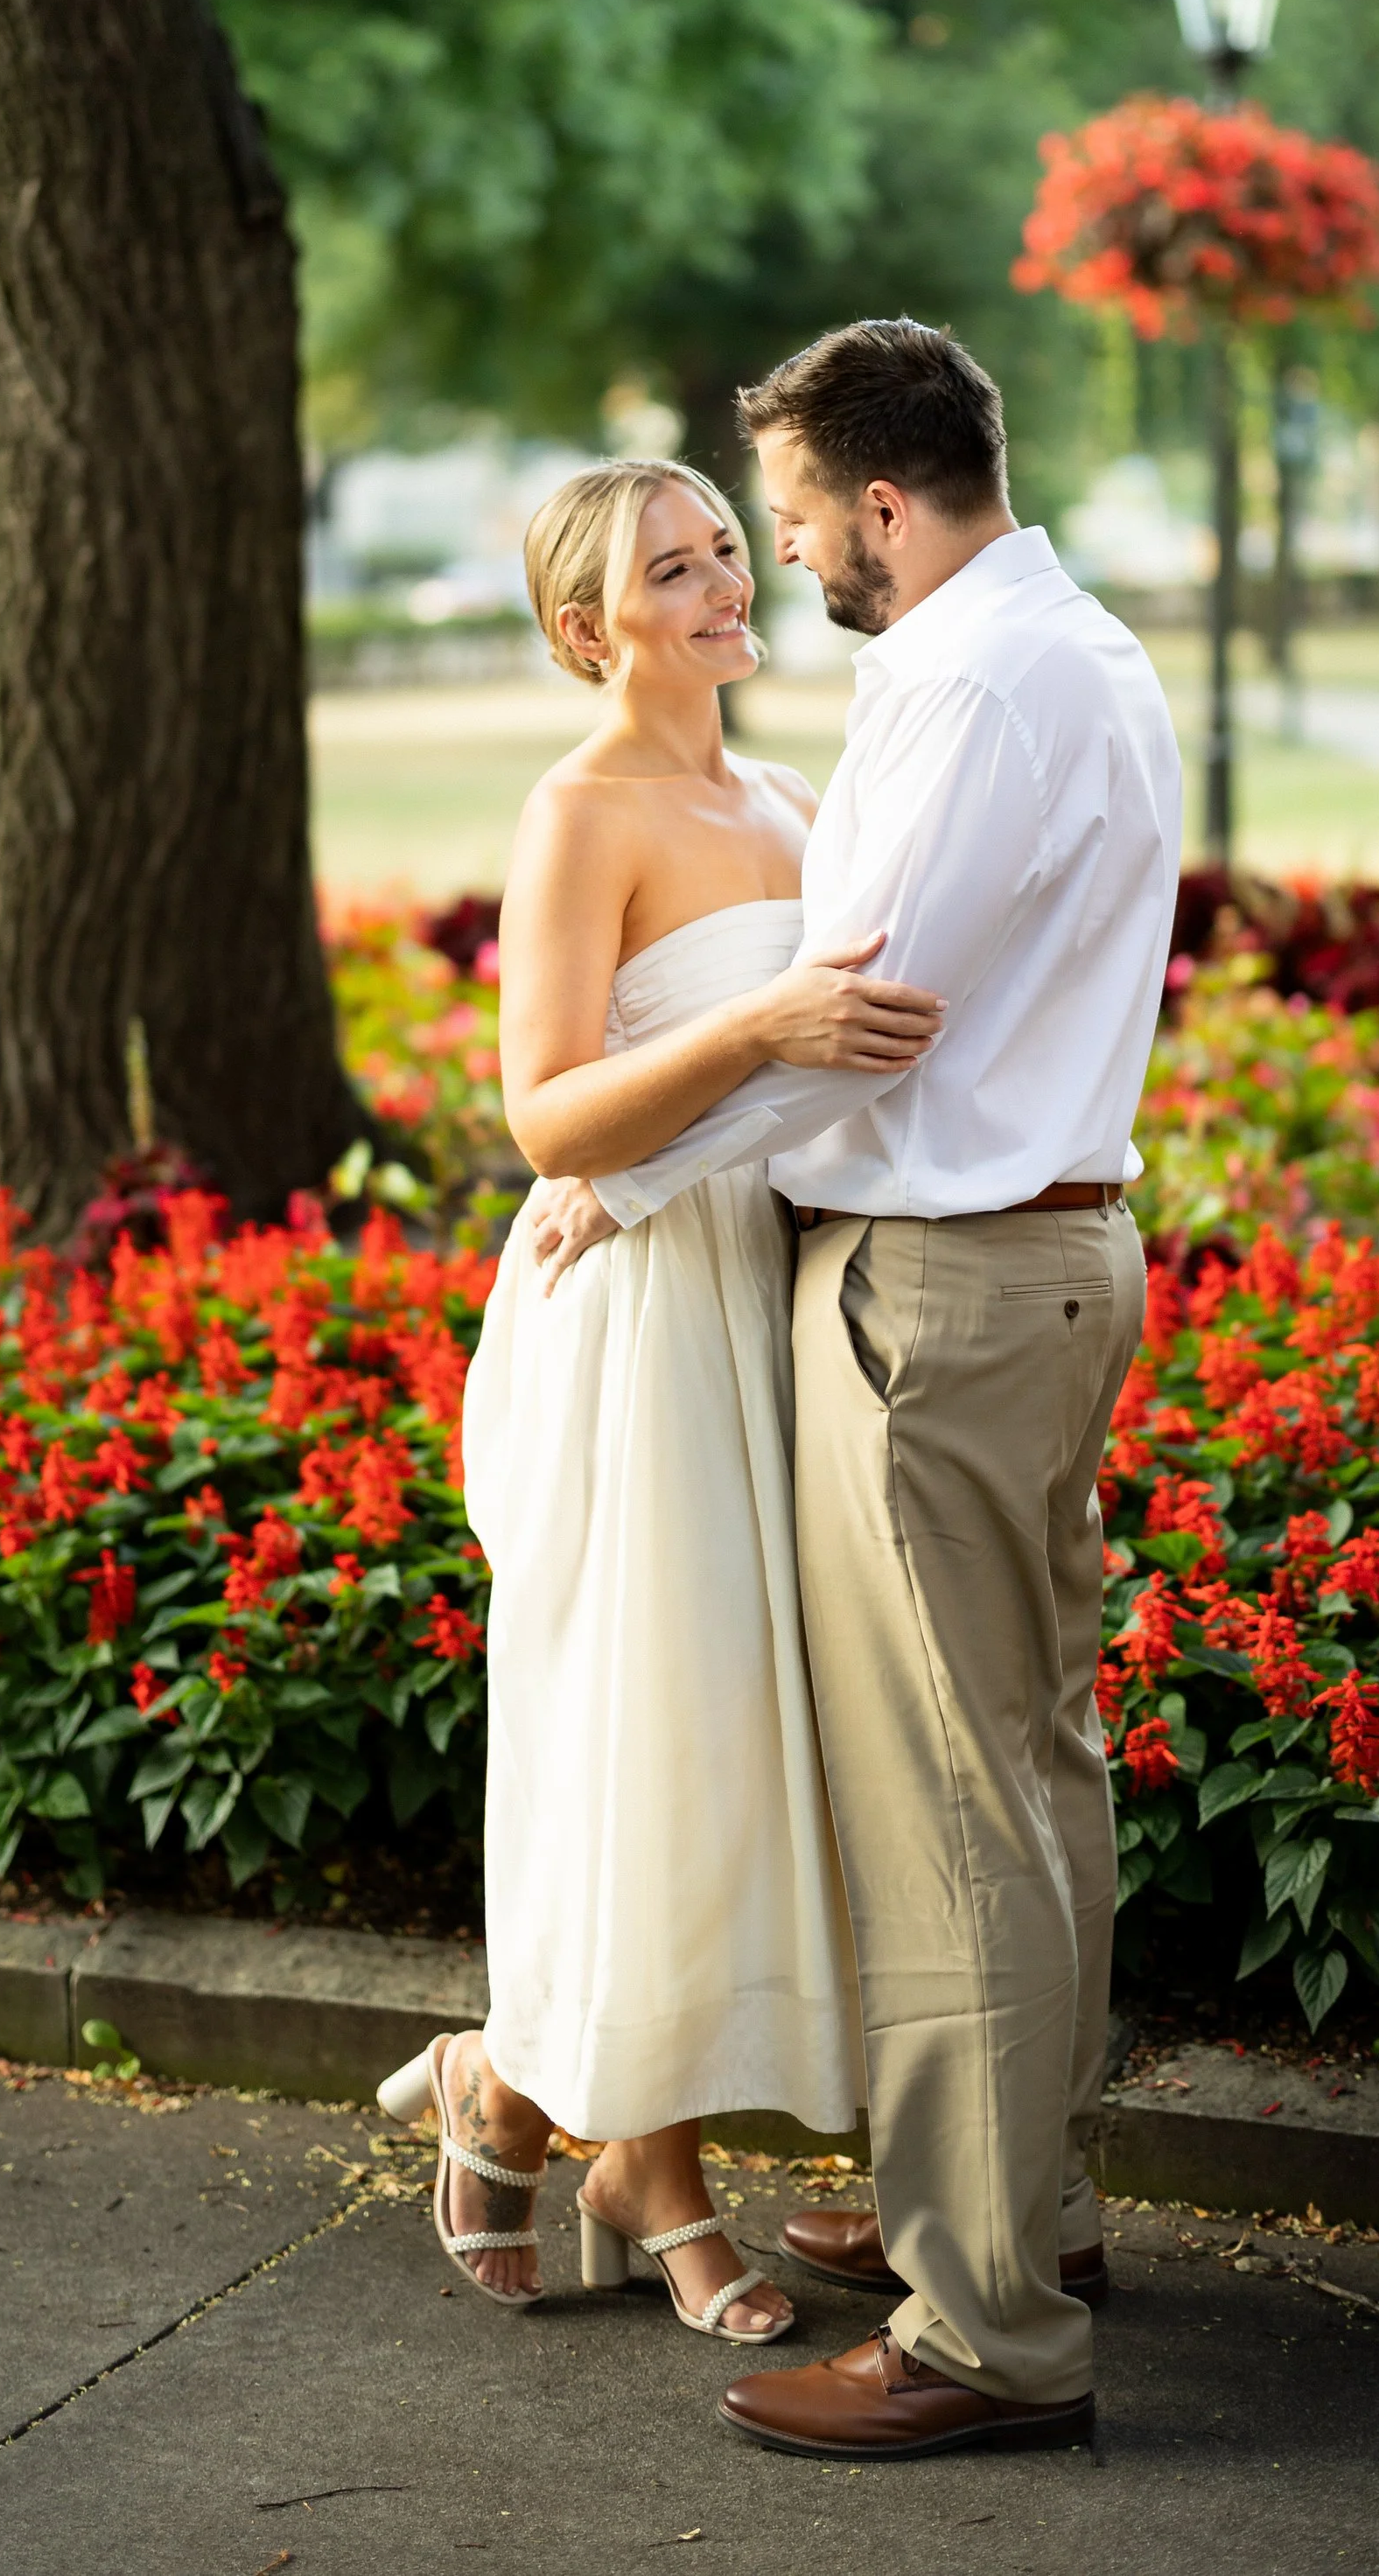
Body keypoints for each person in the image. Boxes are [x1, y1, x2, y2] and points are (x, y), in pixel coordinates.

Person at [534, 318, 1183, 2458]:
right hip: (1051, 1252)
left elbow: (851, 1018)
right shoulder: (1069, 649)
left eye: (792, 520)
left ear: (880, 506)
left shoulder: (963, 684)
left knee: (948, 1816)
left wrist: (616, 1187)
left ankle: (979, 2323)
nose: (784, 561)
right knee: (1030, 1766)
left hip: (943, 1290)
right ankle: (1029, 2209)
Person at [377, 454, 945, 2342]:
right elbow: (541, 1115)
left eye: (723, 553)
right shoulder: (580, 813)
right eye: (673, 571)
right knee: (650, 1742)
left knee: (748, 1749)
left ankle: (516, 2096)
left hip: (778, 1296)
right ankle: (667, 2190)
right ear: (582, 629)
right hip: (627, 1318)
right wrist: (749, 1027)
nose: (722, 587)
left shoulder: (794, 797)